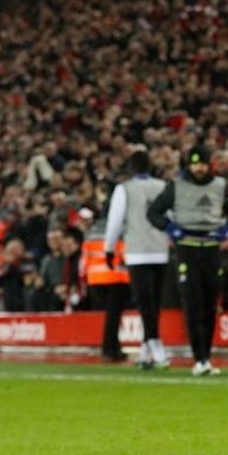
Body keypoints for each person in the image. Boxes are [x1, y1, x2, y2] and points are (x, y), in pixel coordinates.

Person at [148, 143, 228, 376]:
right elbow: (153, 211)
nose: (198, 168)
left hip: (211, 247)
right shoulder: (176, 185)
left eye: (202, 163)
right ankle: (198, 357)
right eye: (194, 163)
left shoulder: (220, 186)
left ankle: (205, 358)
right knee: (192, 304)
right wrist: (170, 228)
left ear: (209, 164)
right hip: (186, 247)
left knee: (210, 304)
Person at [104, 149, 171, 369]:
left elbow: (115, 221)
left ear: (131, 168)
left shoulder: (124, 189)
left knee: (144, 302)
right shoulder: (162, 186)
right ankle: (146, 351)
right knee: (154, 302)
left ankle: (155, 343)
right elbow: (170, 217)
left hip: (137, 252)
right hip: (160, 249)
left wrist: (109, 248)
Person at [82, 218, 131, 362]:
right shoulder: (118, 233)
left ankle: (114, 348)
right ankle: (109, 350)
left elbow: (84, 262)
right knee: (113, 317)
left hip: (95, 280)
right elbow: (125, 256)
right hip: (115, 278)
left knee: (111, 317)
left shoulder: (91, 234)